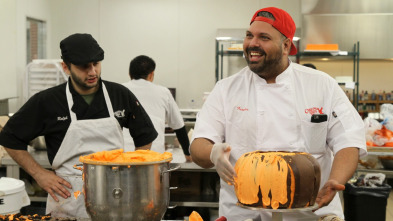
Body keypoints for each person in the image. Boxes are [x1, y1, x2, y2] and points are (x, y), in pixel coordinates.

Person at [190, 7, 367, 221]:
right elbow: (199, 143)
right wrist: (213, 153)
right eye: (249, 35)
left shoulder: (321, 85)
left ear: (285, 46)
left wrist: (336, 179)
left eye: (263, 37)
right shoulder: (226, 89)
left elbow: (349, 140)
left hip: (310, 214)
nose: (252, 43)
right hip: (245, 215)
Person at [0, 33, 158, 218]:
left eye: (96, 64)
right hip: (68, 198)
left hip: (115, 193)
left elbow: (145, 136)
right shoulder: (48, 101)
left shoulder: (119, 94)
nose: (92, 72)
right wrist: (40, 174)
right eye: (84, 66)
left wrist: (131, 173)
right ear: (66, 67)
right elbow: (9, 137)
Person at [122, 55, 192, 162]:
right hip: (153, 158)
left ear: (129, 74)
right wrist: (188, 155)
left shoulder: (120, 91)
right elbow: (179, 127)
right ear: (151, 74)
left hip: (123, 157)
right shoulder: (163, 92)